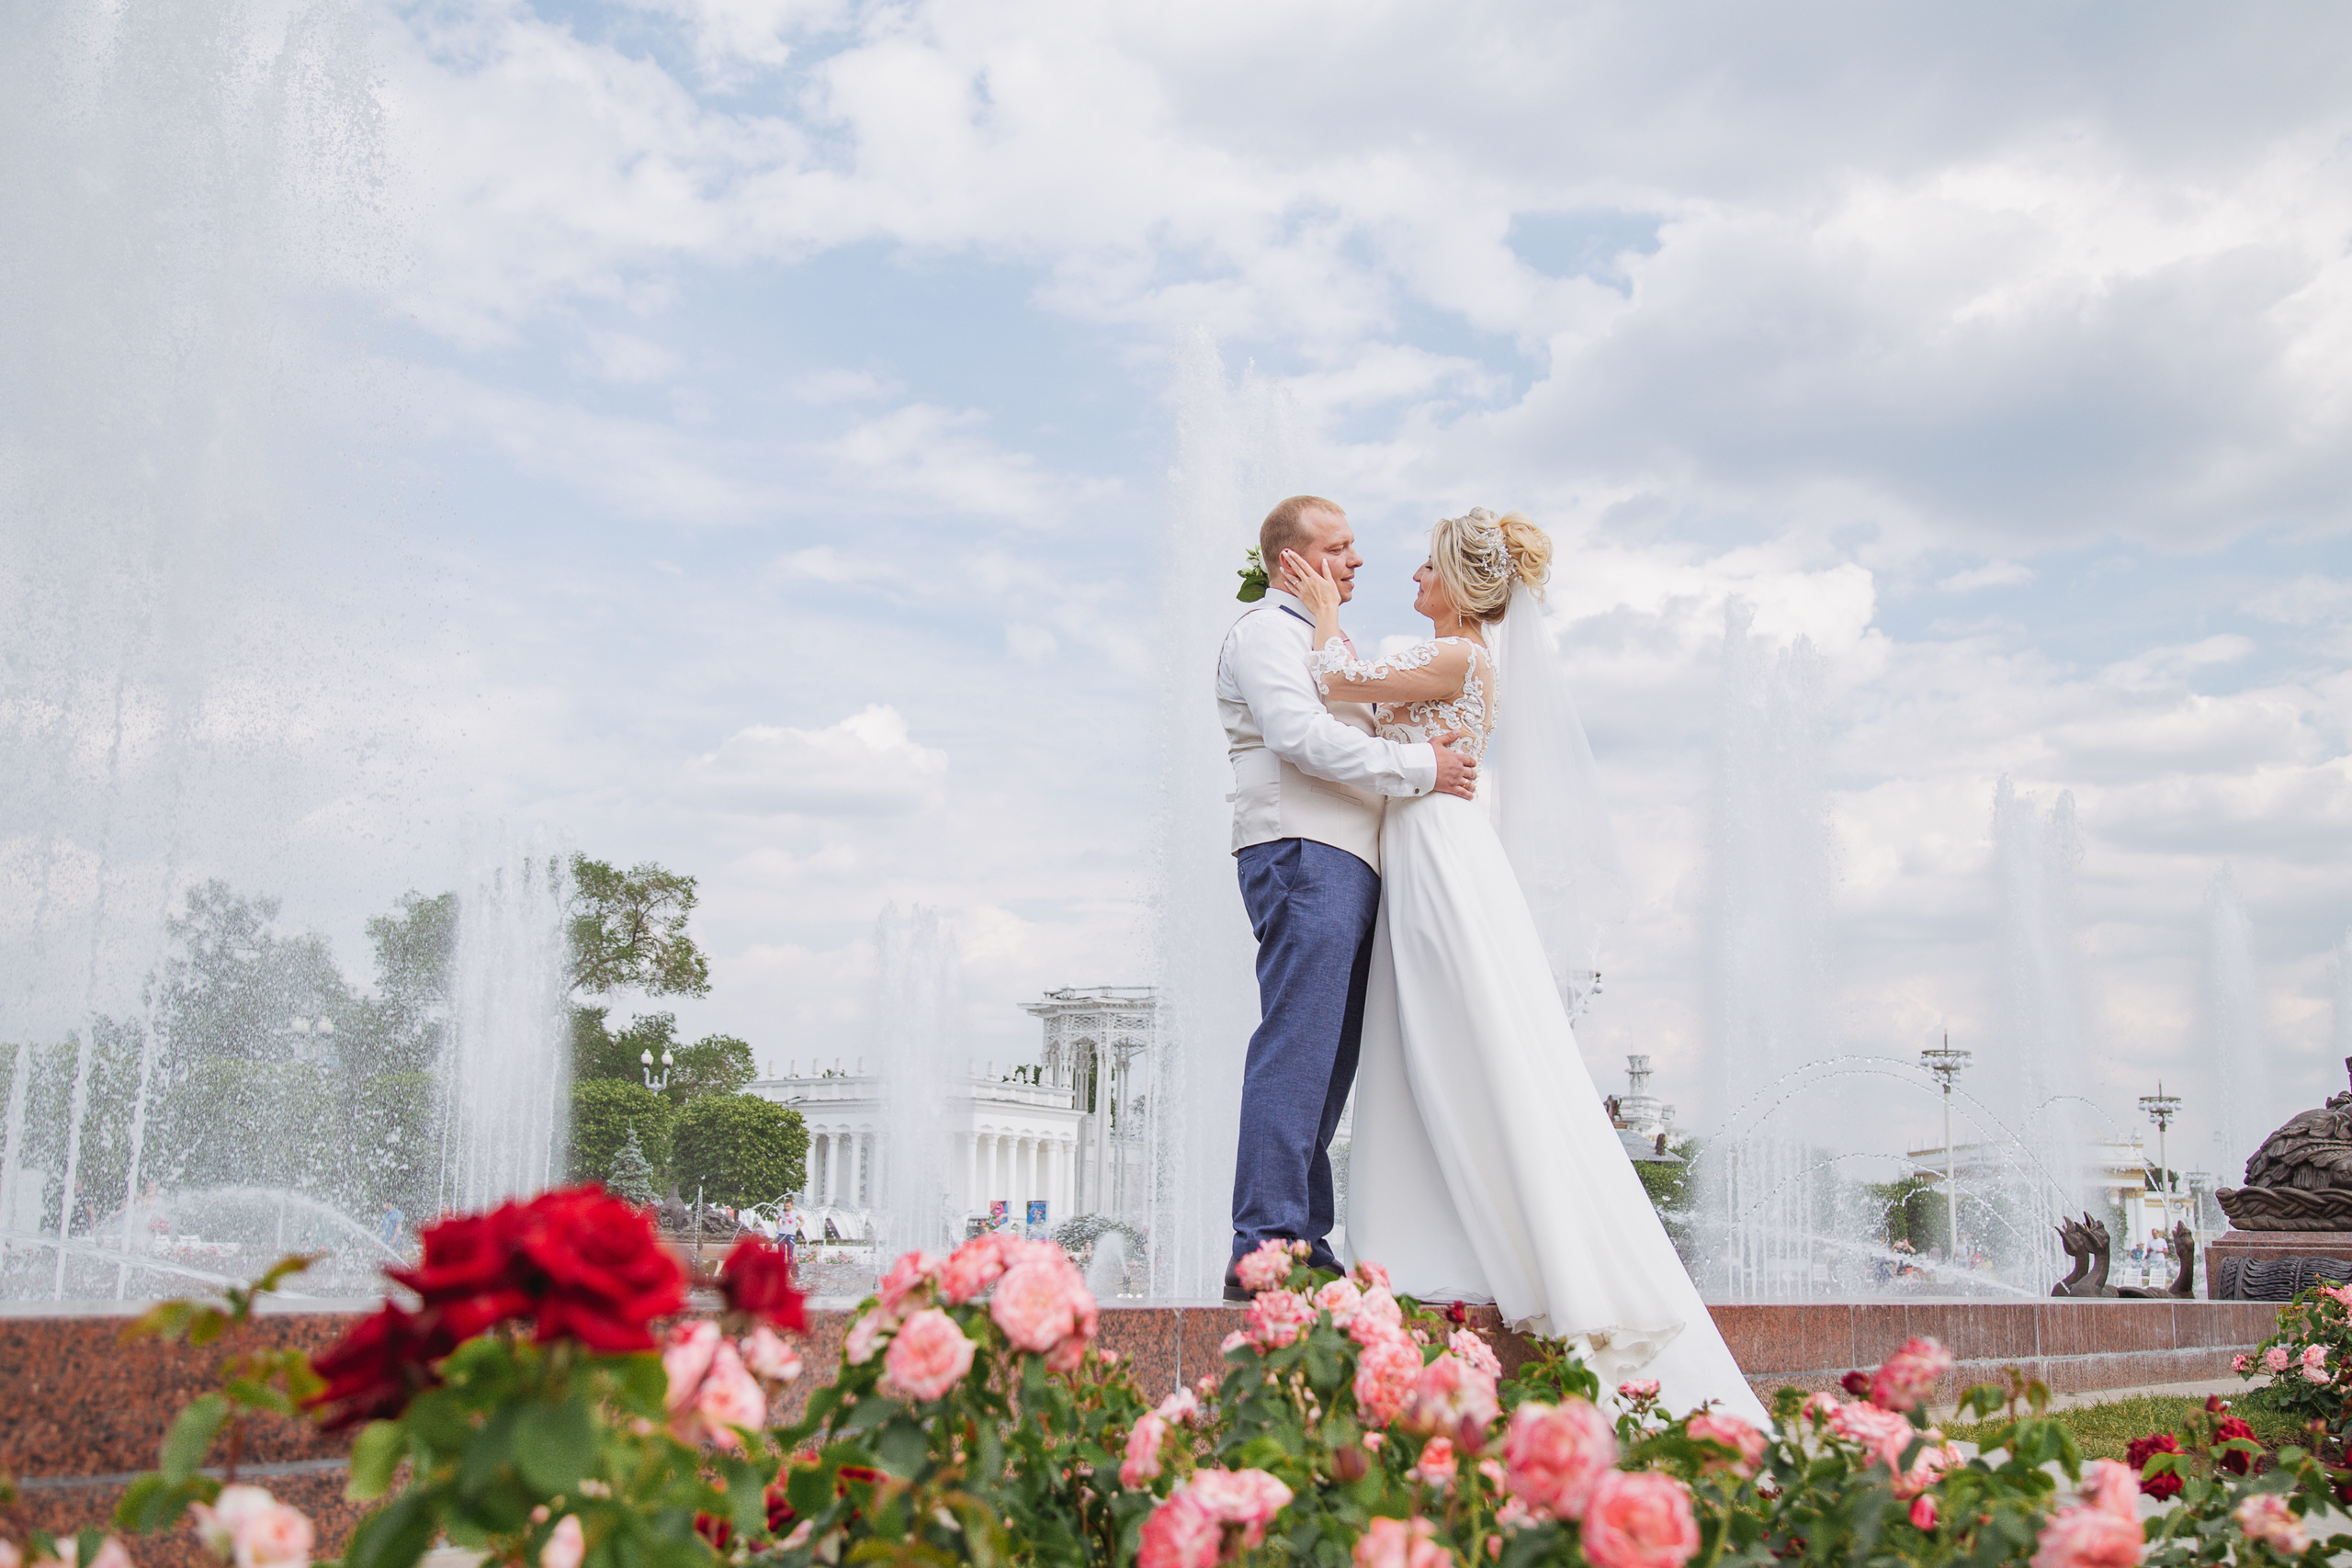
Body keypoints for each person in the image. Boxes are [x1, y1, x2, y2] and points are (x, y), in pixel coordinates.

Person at [1284, 507, 1769, 1424]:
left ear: (1462, 586)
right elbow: (1368, 714)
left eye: (1427, 567)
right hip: (1423, 843)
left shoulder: (1460, 657)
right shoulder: (1453, 660)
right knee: (1424, 1041)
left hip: (1439, 852)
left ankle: (1503, 1241)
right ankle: (1438, 1236)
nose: (1413, 578)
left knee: (1460, 1039)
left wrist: (1322, 612)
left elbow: (1334, 681)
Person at [1215, 495, 1481, 1300]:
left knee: (1329, 1063)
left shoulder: (1325, 640)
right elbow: (1298, 736)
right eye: (1337, 548)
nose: (1357, 559)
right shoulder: (1266, 632)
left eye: (1355, 545)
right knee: (1298, 1048)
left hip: (1351, 859)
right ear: (1290, 561)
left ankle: (1302, 1238)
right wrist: (1422, 768)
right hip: (1304, 850)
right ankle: (1263, 1246)